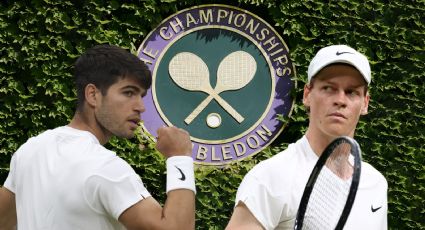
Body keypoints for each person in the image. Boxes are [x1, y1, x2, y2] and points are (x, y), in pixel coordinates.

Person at [0, 44, 196, 230]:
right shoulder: (105, 168)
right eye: (129, 93)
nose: (140, 107)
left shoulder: (30, 150)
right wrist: (179, 156)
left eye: (141, 96)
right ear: (93, 95)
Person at [226, 45, 388, 230]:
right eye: (329, 88)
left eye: (351, 92)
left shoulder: (375, 183)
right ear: (307, 95)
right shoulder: (270, 177)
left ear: (365, 103)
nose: (340, 100)